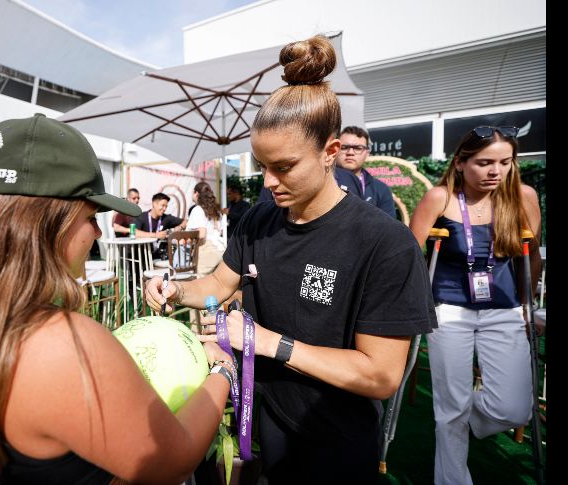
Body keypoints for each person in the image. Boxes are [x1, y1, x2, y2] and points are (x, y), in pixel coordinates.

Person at [145, 34, 437, 484]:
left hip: (339, 438)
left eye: (284, 166)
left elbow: (380, 376)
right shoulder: (259, 220)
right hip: (268, 421)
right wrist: (176, 289)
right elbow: (219, 286)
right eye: (262, 166)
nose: (270, 182)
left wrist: (269, 342)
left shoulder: (385, 243)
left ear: (331, 152)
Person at [0, 114, 235, 484]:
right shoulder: (61, 342)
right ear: (46, 222)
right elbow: (172, 459)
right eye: (90, 216)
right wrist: (221, 371)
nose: (97, 232)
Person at [408, 125, 542, 485]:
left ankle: (464, 419)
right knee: (449, 407)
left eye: (505, 162)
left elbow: (531, 260)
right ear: (461, 163)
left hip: (505, 307)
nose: (496, 171)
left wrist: (529, 305)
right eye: (484, 163)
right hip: (448, 310)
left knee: (514, 408)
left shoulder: (523, 197)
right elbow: (408, 258)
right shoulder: (440, 198)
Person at [336, 125, 397, 218]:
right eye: (344, 147)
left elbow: (389, 228)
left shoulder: (381, 189)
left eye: (358, 148)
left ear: (367, 154)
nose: (350, 152)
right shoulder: (321, 182)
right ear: (335, 150)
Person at [187, 181, 226, 274]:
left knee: (200, 284)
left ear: (196, 193)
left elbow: (201, 234)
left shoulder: (197, 210)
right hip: (220, 250)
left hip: (205, 251)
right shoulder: (216, 210)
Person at [133, 192, 186, 259]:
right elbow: (134, 232)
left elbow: (185, 221)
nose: (164, 209)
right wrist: (155, 235)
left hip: (159, 256)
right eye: (163, 205)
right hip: (141, 256)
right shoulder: (142, 216)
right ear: (154, 204)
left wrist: (180, 227)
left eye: (166, 206)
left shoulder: (166, 218)